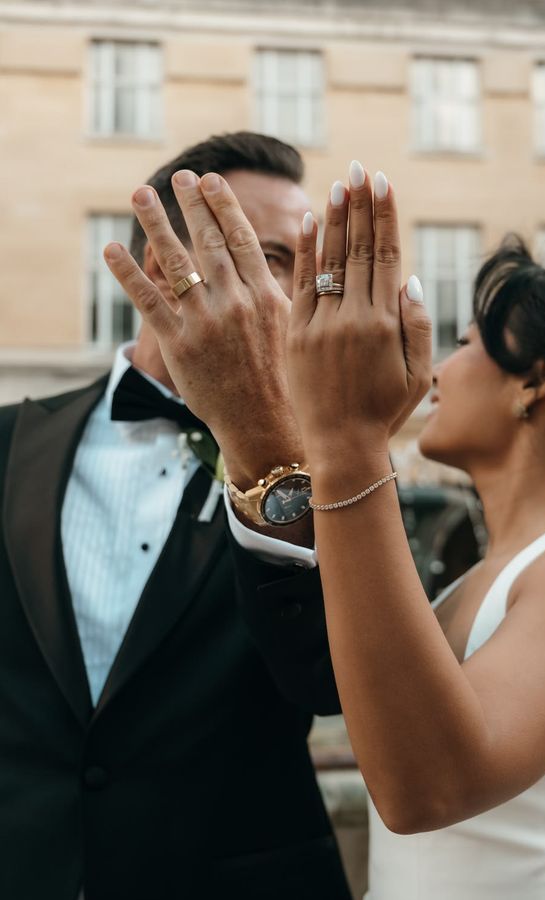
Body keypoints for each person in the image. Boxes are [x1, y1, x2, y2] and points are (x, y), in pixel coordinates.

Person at [123, 159, 545, 898]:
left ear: (537, 379)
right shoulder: (480, 577)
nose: (440, 364)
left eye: (470, 342)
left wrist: (347, 432)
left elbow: (426, 789)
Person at [0, 132, 352, 900]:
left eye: (304, 264)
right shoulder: (7, 444)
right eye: (274, 258)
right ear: (162, 266)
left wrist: (266, 441)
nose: (295, 295)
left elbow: (330, 682)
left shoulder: (342, 463)